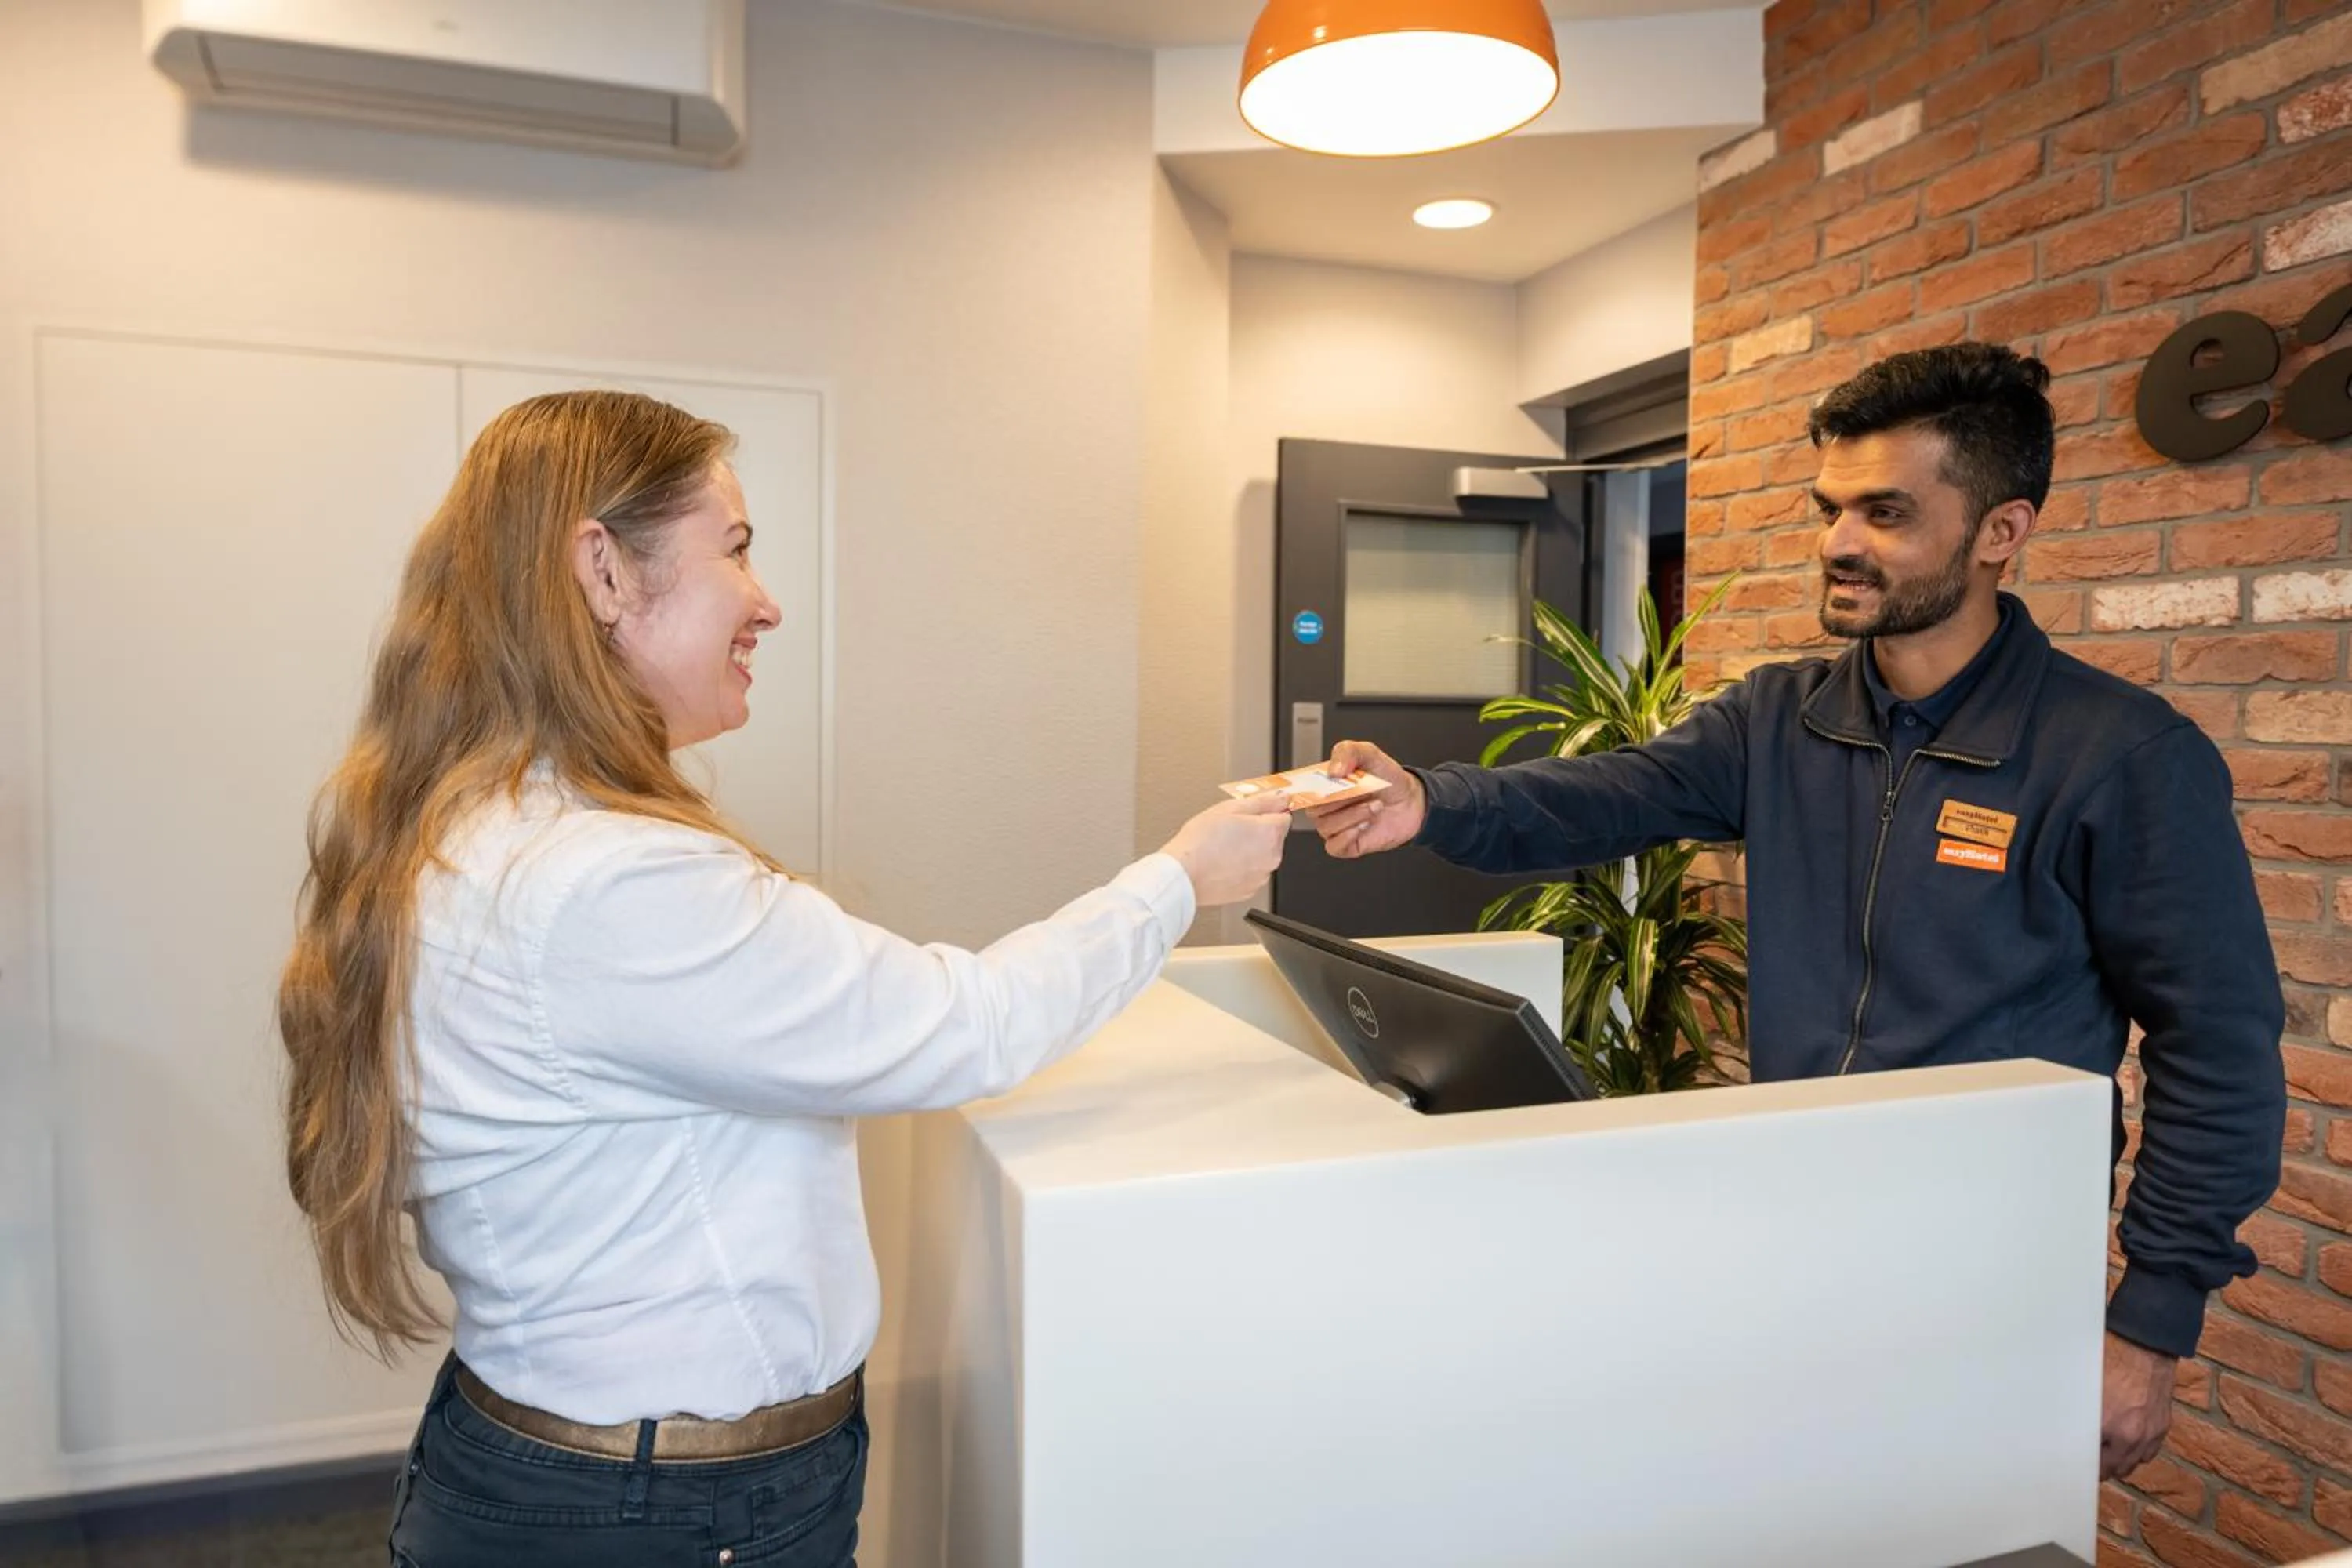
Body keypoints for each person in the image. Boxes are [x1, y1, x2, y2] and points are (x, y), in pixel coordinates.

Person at [277, 390, 1290, 1568]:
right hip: (656, 1514)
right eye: (737, 548)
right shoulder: (607, 883)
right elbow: (962, 1027)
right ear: (603, 573)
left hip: (566, 1470)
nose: (766, 601)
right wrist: (1178, 879)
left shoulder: (490, 829)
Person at [1303, 343, 2285, 1485]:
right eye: (1830, 509)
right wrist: (1428, 800)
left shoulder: (2121, 757)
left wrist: (2151, 1322)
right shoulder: (1782, 718)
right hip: (1794, 1232)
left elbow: (2218, 1049)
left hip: (1992, 1275)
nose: (1838, 543)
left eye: (1885, 512)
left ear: (2001, 534)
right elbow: (1606, 791)